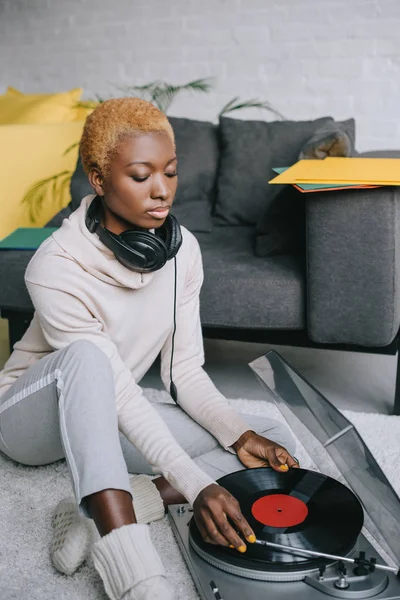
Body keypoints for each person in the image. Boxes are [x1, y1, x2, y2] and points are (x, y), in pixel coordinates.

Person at [0, 98, 297, 600]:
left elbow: (184, 371)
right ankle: (134, 573)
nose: (162, 191)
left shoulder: (184, 254)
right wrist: (196, 484)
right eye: (141, 176)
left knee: (267, 443)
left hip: (106, 415)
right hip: (28, 421)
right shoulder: (54, 266)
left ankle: (105, 508)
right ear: (98, 179)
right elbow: (113, 384)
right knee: (88, 359)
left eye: (170, 172)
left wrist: (235, 434)